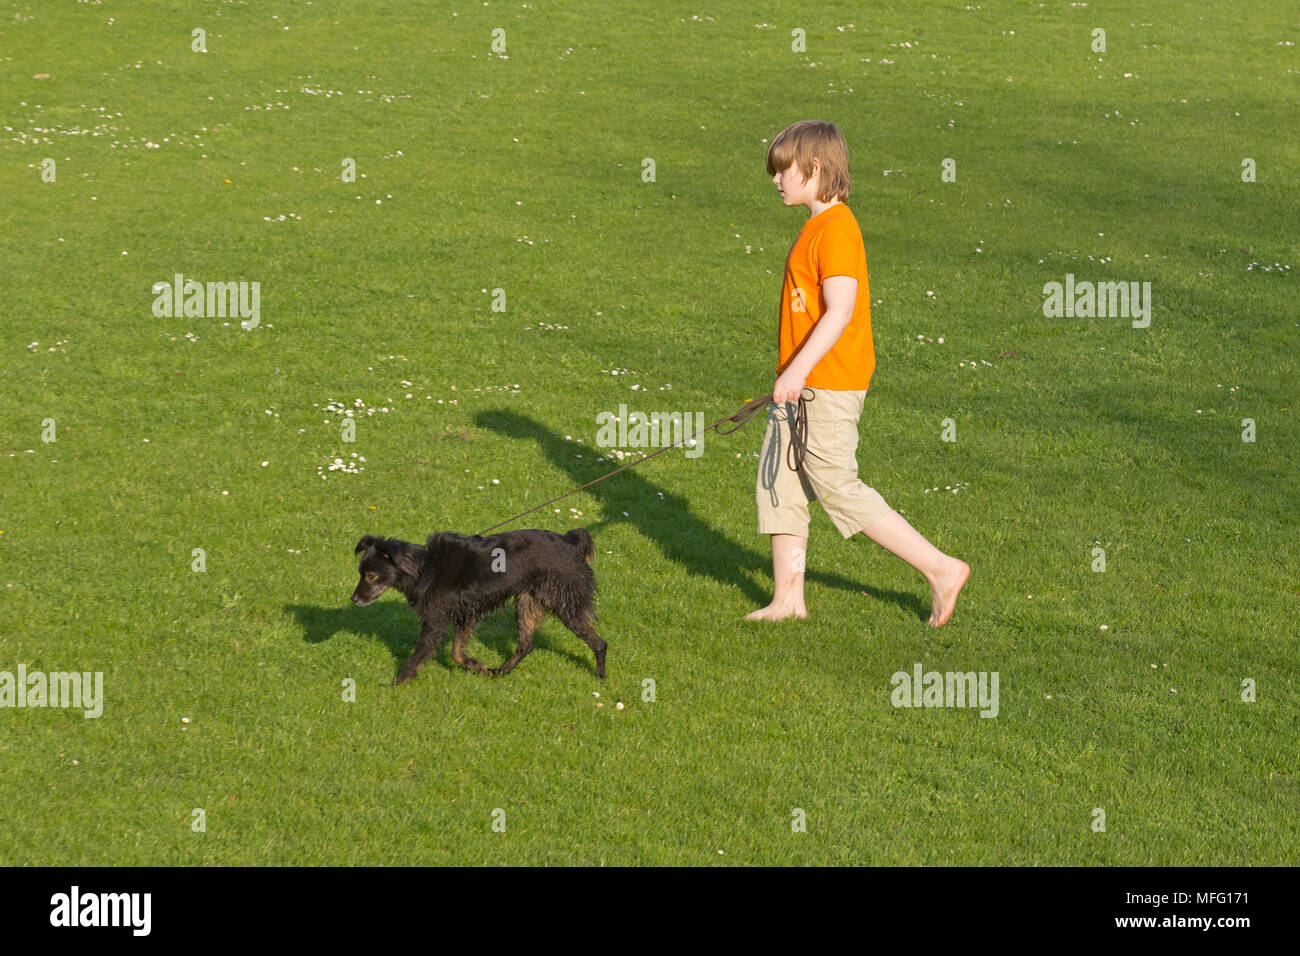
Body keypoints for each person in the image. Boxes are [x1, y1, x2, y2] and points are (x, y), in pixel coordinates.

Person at [748, 120, 969, 626]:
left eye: (783, 170)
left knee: (837, 485)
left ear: (815, 168)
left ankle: (941, 569)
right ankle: (788, 601)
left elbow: (840, 310)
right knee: (779, 484)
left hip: (826, 382)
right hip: (801, 382)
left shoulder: (838, 229)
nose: (776, 180)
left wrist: (797, 371)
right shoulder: (816, 226)